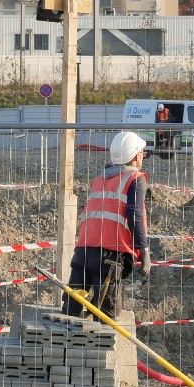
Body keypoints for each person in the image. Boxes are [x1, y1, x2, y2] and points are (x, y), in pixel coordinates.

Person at [63, 131, 151, 319]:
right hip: (110, 256)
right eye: (143, 153)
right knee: (106, 314)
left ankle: (67, 344)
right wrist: (144, 250)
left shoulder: (100, 178)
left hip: (84, 251)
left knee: (72, 308)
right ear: (136, 156)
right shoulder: (135, 178)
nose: (144, 156)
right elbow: (134, 216)